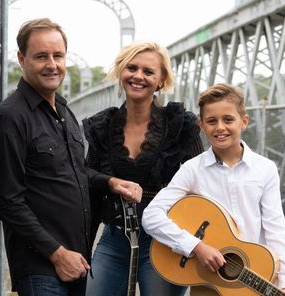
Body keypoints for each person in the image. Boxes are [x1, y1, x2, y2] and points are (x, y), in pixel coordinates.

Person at [0, 18, 142, 296]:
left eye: (58, 56)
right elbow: (9, 200)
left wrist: (110, 182)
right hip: (42, 267)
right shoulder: (12, 116)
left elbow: (72, 172)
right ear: (21, 58)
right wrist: (57, 254)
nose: (52, 64)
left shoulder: (63, 110)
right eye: (41, 56)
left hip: (77, 261)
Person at [142, 83, 285, 296]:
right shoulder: (192, 169)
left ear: (244, 122)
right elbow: (151, 216)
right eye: (211, 121)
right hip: (209, 282)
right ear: (201, 125)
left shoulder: (266, 169)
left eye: (228, 119)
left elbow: (276, 229)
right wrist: (196, 246)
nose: (220, 128)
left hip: (257, 277)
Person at [82, 41, 204, 296]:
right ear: (121, 73)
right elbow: (87, 177)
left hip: (164, 242)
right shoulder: (103, 126)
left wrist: (196, 244)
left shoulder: (180, 124)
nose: (138, 76)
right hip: (114, 238)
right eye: (132, 68)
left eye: (148, 72)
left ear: (161, 81)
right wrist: (111, 182)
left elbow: (203, 183)